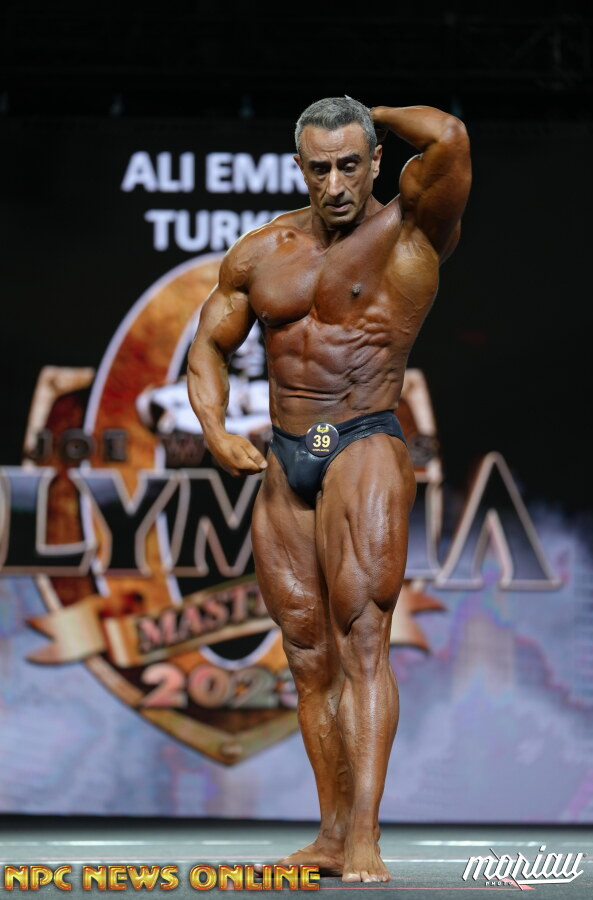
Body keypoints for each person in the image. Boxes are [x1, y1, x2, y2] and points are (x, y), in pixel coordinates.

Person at [187, 97, 471, 883]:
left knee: (364, 641)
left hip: (363, 439)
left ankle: (367, 838)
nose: (337, 183)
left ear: (377, 160)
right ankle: (331, 833)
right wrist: (214, 429)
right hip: (287, 456)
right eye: (321, 168)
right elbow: (209, 344)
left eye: (352, 164)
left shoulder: (412, 232)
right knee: (308, 655)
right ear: (299, 169)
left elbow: (449, 136)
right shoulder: (261, 252)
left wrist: (372, 110)